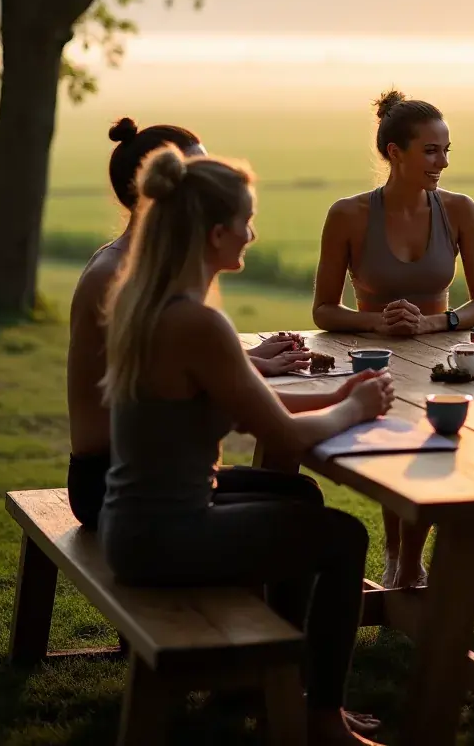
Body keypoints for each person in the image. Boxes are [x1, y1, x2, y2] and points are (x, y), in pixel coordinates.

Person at [99, 146, 393, 746]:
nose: (251, 234)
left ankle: (275, 680)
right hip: (163, 537)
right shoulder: (197, 324)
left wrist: (340, 396)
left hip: (131, 518)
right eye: (245, 221)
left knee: (298, 496)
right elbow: (281, 434)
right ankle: (322, 718)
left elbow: (255, 405)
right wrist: (353, 408)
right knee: (344, 539)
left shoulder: (148, 302)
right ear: (215, 234)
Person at [67, 118, 317, 532]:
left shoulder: (149, 264)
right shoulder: (116, 273)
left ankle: (273, 592)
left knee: (299, 493)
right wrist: (240, 369)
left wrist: (246, 360)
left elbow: (162, 368)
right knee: (302, 508)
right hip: (112, 483)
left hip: (142, 472)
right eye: (195, 171)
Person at [313, 89, 474, 588]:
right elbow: (324, 309)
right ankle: (400, 556)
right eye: (430, 150)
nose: (441, 162)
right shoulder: (348, 215)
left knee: (435, 448)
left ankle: (408, 558)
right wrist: (377, 323)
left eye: (446, 151)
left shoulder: (459, 210)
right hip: (374, 358)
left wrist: (435, 324)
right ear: (395, 152)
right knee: (397, 452)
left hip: (443, 359)